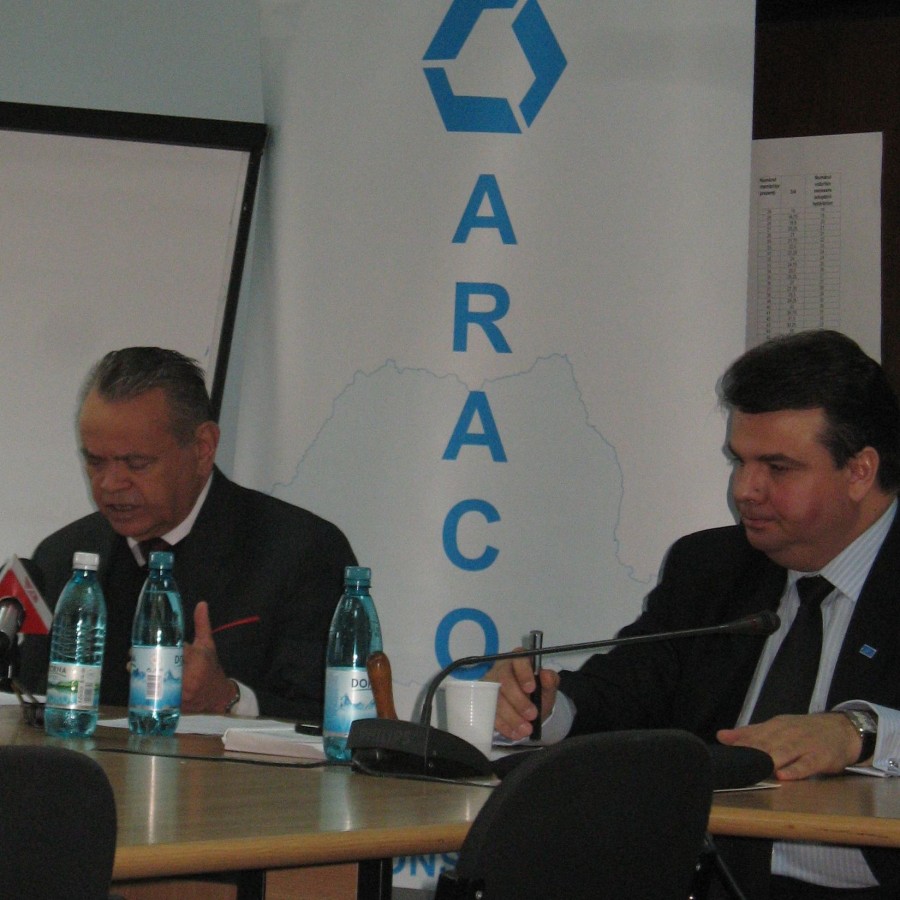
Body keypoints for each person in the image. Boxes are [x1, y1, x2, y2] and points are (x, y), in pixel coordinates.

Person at [489, 329, 900, 899]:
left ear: (860, 471)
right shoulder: (710, 567)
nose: (745, 490)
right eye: (740, 461)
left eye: (777, 467)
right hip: (702, 884)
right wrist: (541, 706)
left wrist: (860, 732)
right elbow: (628, 691)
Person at [18, 347, 356, 721]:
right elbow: (29, 703)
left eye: (136, 463)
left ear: (202, 448)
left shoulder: (302, 552)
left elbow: (335, 719)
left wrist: (227, 698)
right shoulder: (61, 557)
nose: (110, 483)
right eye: (95, 462)